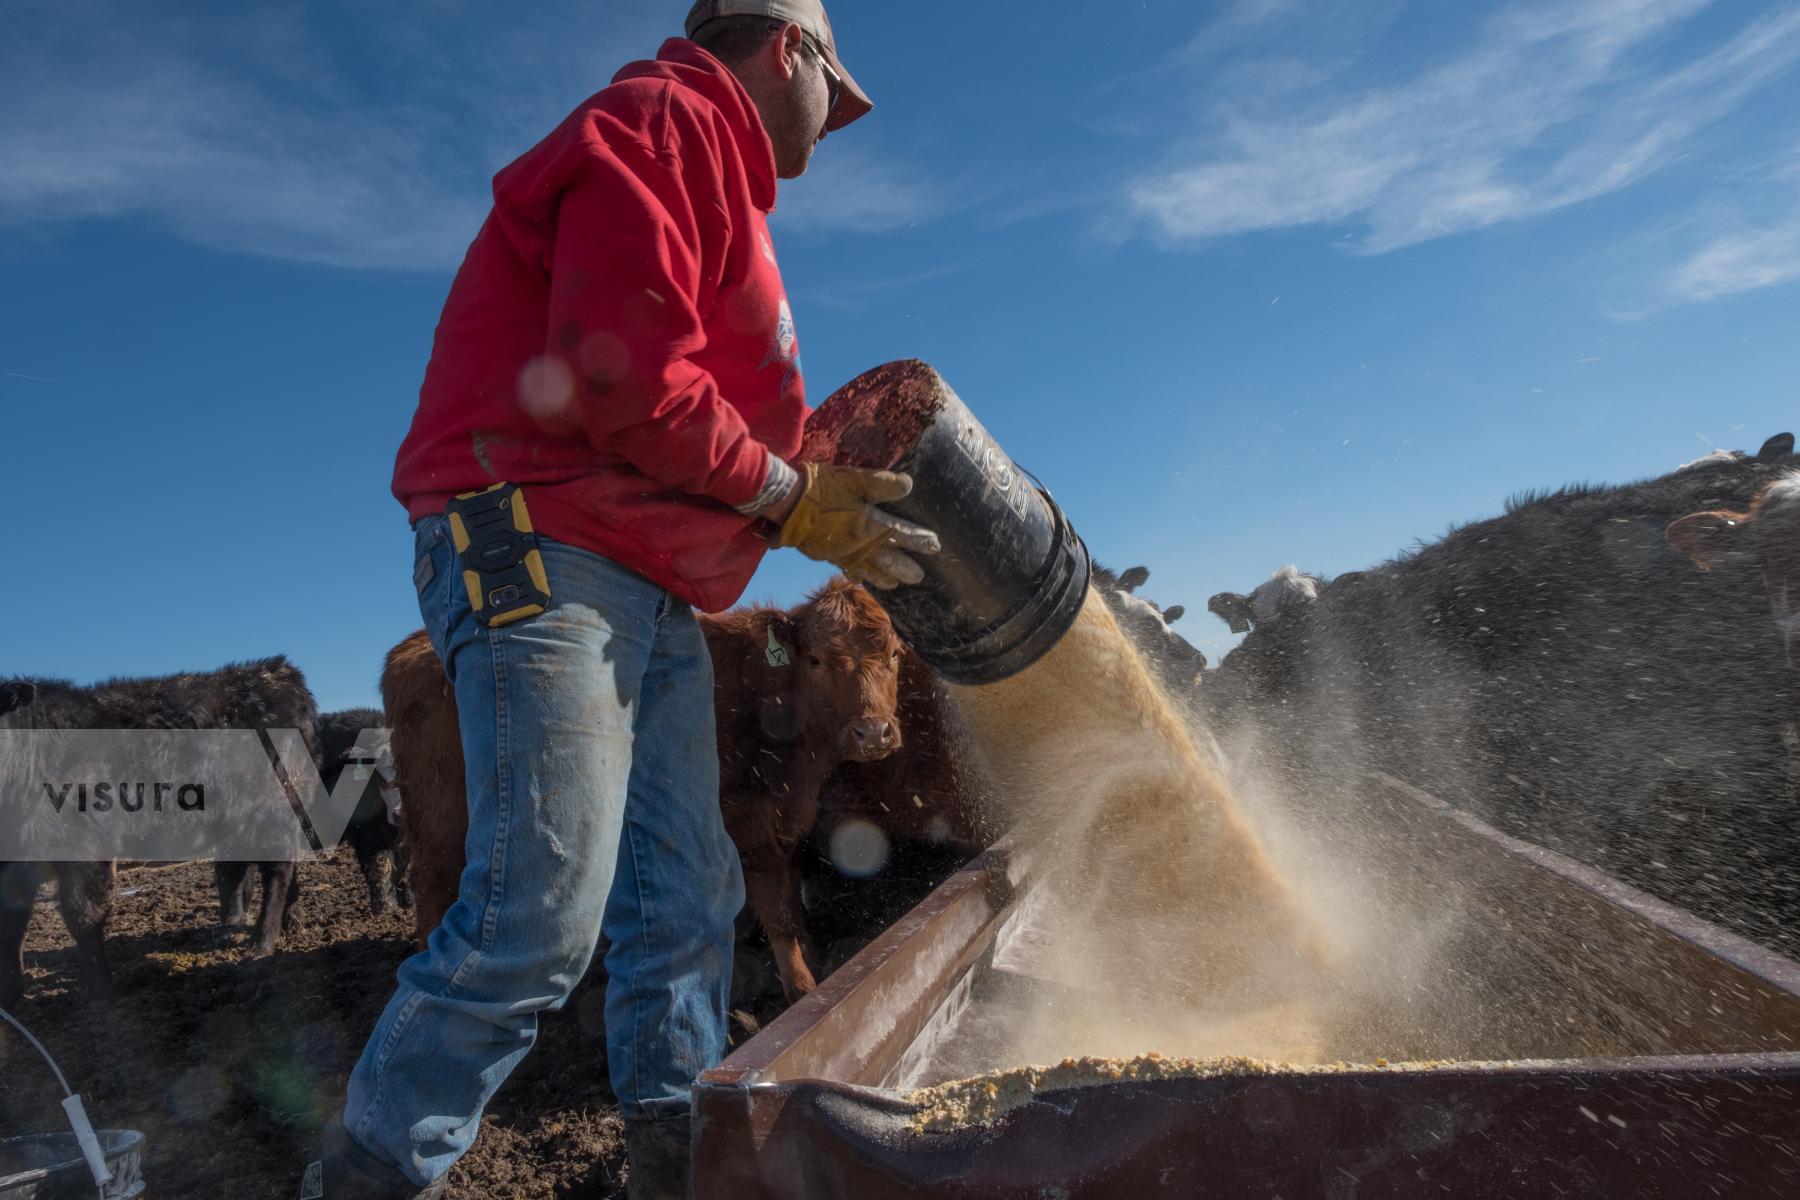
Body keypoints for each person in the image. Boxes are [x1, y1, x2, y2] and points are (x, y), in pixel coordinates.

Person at [302, 3, 936, 1197]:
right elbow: (624, 377)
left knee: (687, 896)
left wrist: (810, 470)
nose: (835, 126)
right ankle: (370, 1175)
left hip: (642, 576)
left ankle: (677, 1161)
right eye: (834, 95)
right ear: (787, 51)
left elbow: (691, 396)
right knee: (539, 909)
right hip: (537, 537)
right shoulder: (659, 123)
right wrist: (793, 494)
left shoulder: (724, 186)